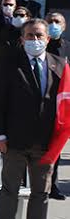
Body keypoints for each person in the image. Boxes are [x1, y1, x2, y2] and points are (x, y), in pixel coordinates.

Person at [0, 18, 60, 219]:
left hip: (45, 143)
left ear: (48, 38)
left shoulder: (59, 65)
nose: (35, 40)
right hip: (14, 141)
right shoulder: (9, 63)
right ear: (22, 40)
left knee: (42, 193)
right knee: (10, 190)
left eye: (40, 35)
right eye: (30, 36)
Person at [46, 12, 69, 200]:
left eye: (57, 22)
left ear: (64, 26)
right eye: (50, 21)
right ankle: (26, 182)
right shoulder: (39, 46)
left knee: (56, 147)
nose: (53, 25)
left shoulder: (67, 48)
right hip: (39, 102)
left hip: (59, 105)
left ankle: (52, 186)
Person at [0, 2, 29, 89]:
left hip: (25, 83)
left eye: (22, 15)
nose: (18, 17)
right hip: (2, 80)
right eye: (15, 15)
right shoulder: (2, 34)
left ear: (28, 17)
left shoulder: (32, 36)